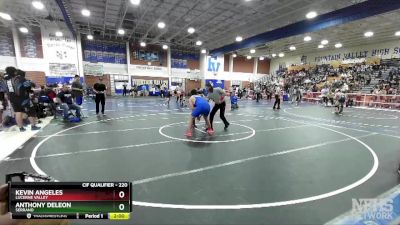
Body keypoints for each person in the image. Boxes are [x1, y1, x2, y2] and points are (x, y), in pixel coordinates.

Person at [4, 67, 40, 131]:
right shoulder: (20, 78)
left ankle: (21, 128)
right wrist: (31, 83)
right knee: (30, 112)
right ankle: (33, 126)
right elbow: (29, 86)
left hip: (12, 99)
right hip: (23, 98)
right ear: (15, 72)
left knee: (17, 112)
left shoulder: (6, 80)